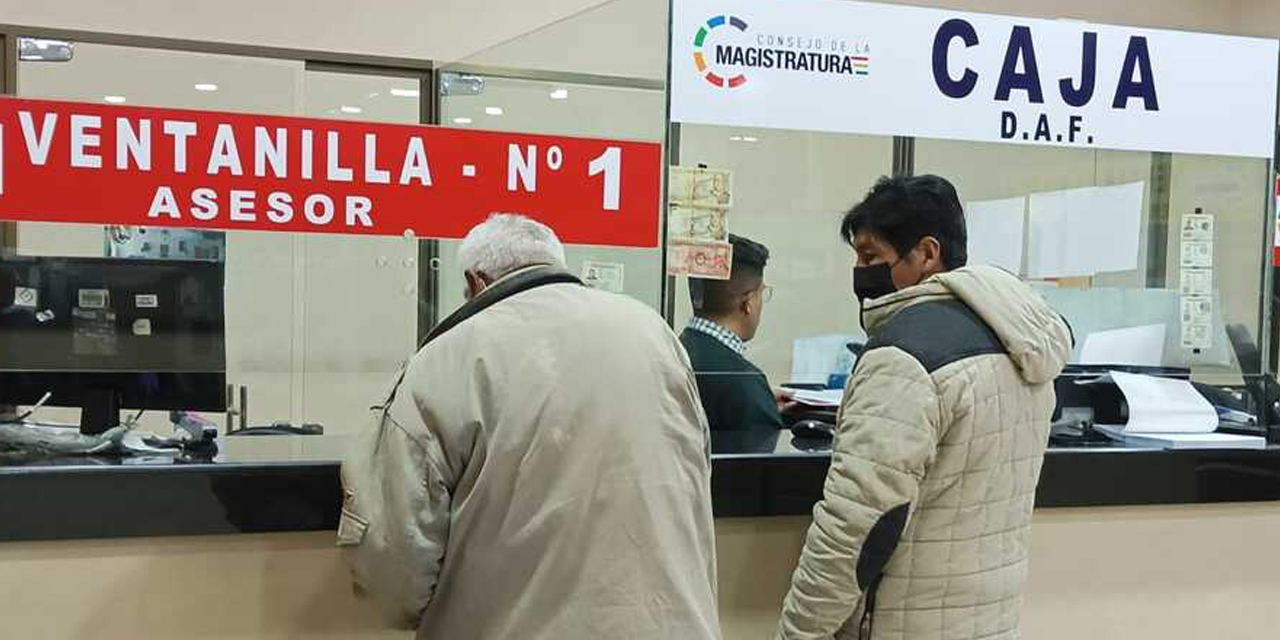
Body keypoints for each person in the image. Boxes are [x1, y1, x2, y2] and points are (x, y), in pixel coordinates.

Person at [339, 213, 721, 640]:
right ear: (555, 263)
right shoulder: (655, 333)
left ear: (475, 280)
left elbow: (393, 571)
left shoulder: (447, 357)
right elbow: (696, 471)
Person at [775, 176, 1073, 640]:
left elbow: (854, 528)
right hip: (990, 621)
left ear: (928, 254)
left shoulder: (903, 356)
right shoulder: (1021, 345)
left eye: (871, 256)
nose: (860, 272)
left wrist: (798, 633)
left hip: (905, 622)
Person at [681, 233, 792, 453]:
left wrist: (763, 402)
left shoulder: (677, 349)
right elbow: (765, 472)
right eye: (762, 293)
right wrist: (757, 402)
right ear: (748, 302)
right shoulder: (744, 381)